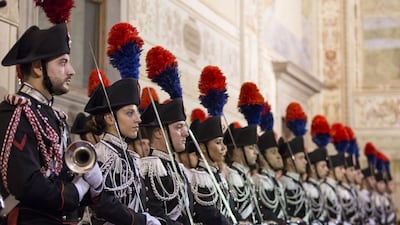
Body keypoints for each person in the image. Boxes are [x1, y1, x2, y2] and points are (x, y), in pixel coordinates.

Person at [0, 23, 103, 224]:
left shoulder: (54, 117)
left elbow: (61, 177)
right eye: (63, 62)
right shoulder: (17, 112)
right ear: (38, 67)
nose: (71, 70)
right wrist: (77, 190)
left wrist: (91, 186)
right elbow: (26, 184)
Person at [84, 78, 160, 225]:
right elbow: (103, 205)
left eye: (137, 112)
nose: (138, 119)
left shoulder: (130, 156)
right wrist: (140, 220)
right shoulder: (99, 154)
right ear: (110, 118)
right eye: (130, 113)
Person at [139, 99, 194, 225]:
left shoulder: (175, 167)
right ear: (158, 133)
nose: (186, 133)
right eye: (179, 127)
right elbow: (154, 214)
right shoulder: (150, 167)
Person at [223, 124, 263, 224]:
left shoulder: (245, 176)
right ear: (237, 150)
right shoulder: (232, 176)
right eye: (251, 148)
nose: (256, 152)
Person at [253, 130, 287, 224]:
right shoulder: (259, 181)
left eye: (278, 152)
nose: (278, 156)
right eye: (273, 152)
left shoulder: (277, 182)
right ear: (262, 156)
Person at [278, 136, 309, 224]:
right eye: (301, 158)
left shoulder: (299, 182)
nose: (305, 161)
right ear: (290, 161)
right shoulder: (284, 182)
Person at [303, 147, 329, 224]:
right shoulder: (306, 188)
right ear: (313, 168)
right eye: (323, 166)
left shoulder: (319, 187)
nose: (327, 169)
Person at [320, 153, 344, 224]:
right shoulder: (325, 188)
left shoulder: (335, 187)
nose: (343, 171)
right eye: (340, 168)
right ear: (331, 170)